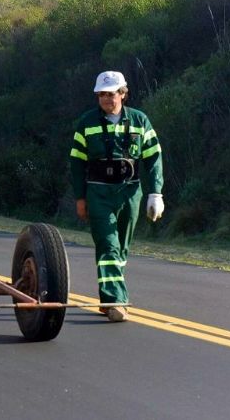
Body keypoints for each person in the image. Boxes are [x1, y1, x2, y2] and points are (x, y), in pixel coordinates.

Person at [69, 71, 164, 322]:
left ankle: (107, 298)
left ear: (123, 94)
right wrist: (80, 197)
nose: (106, 99)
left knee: (121, 248)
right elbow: (76, 163)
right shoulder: (87, 123)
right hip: (98, 192)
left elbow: (154, 158)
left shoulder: (140, 121)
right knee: (108, 244)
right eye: (101, 94)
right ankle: (116, 301)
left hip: (130, 191)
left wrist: (155, 193)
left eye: (110, 94)